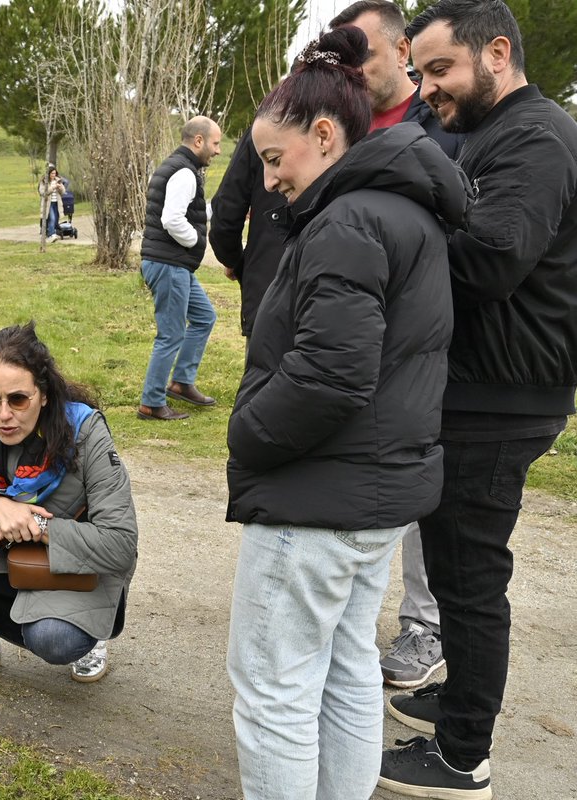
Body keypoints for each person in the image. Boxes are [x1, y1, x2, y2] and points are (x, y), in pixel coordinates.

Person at [225, 27, 468, 800]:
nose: (268, 182)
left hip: (316, 503)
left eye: (273, 158)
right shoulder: (401, 209)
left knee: (274, 694)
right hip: (371, 497)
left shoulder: (349, 221)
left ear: (323, 134)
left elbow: (331, 374)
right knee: (345, 669)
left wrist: (247, 433)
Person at [381, 2, 577, 796]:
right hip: (481, 387)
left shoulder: (532, 136)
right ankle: (453, 697)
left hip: (502, 395)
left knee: (467, 575)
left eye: (439, 69)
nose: (426, 88)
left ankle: (461, 755)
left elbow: (490, 259)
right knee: (456, 560)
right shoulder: (495, 134)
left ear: (495, 52)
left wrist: (394, 242)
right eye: (419, 73)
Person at [328, 0, 466, 691]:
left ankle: (423, 623)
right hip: (352, 325)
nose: (354, 72)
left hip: (418, 334)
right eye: (344, 61)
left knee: (416, 473)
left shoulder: (439, 125)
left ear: (402, 49)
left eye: (366, 58)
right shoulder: (339, 120)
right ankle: (351, 615)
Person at [0, 323, 138, 684]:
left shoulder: (87, 433)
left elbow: (120, 544)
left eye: (18, 399)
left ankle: (89, 637)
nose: (3, 415)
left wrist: (39, 527)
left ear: (43, 394)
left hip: (65, 567)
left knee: (55, 640)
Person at [137, 115, 222, 422]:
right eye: (215, 143)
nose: (218, 150)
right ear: (197, 141)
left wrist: (218, 208)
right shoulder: (184, 173)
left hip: (172, 265)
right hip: (169, 264)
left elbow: (189, 210)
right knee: (171, 334)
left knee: (204, 317)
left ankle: (182, 383)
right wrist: (196, 239)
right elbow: (172, 220)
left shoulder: (179, 168)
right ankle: (151, 402)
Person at [208, 125, 286, 343]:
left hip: (269, 293)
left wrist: (233, 259)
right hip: (345, 306)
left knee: (266, 374)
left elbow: (226, 213)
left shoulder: (271, 123)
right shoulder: (360, 123)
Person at [38, 165, 65, 243]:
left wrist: (59, 187)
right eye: (52, 173)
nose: (54, 175)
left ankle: (49, 233)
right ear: (48, 174)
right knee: (52, 218)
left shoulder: (58, 180)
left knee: (56, 219)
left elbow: (63, 192)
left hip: (56, 203)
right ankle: (51, 235)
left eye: (55, 173)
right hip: (48, 204)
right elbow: (43, 193)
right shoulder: (44, 182)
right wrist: (52, 188)